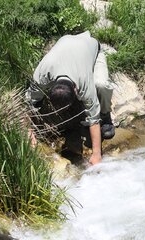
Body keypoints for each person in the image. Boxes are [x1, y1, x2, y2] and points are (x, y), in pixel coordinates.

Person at [27, 31, 115, 165]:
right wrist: (29, 132)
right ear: (51, 87)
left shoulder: (84, 82)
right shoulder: (42, 75)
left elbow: (93, 119)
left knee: (101, 85)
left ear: (76, 90)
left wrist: (97, 154)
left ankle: (106, 114)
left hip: (91, 48)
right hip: (65, 41)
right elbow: (29, 102)